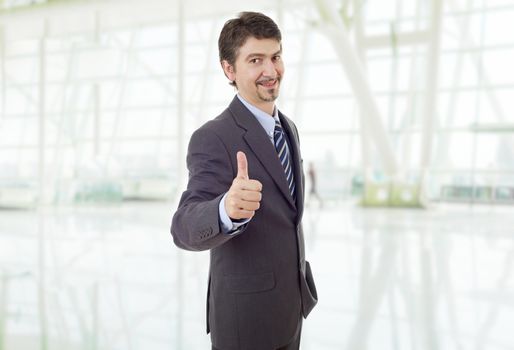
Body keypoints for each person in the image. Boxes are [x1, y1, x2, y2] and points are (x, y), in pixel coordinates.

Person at [171, 12, 317, 350]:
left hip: (290, 308)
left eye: (275, 56)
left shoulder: (288, 128)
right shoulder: (213, 137)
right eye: (255, 60)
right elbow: (183, 226)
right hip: (245, 320)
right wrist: (226, 209)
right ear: (229, 69)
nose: (271, 70)